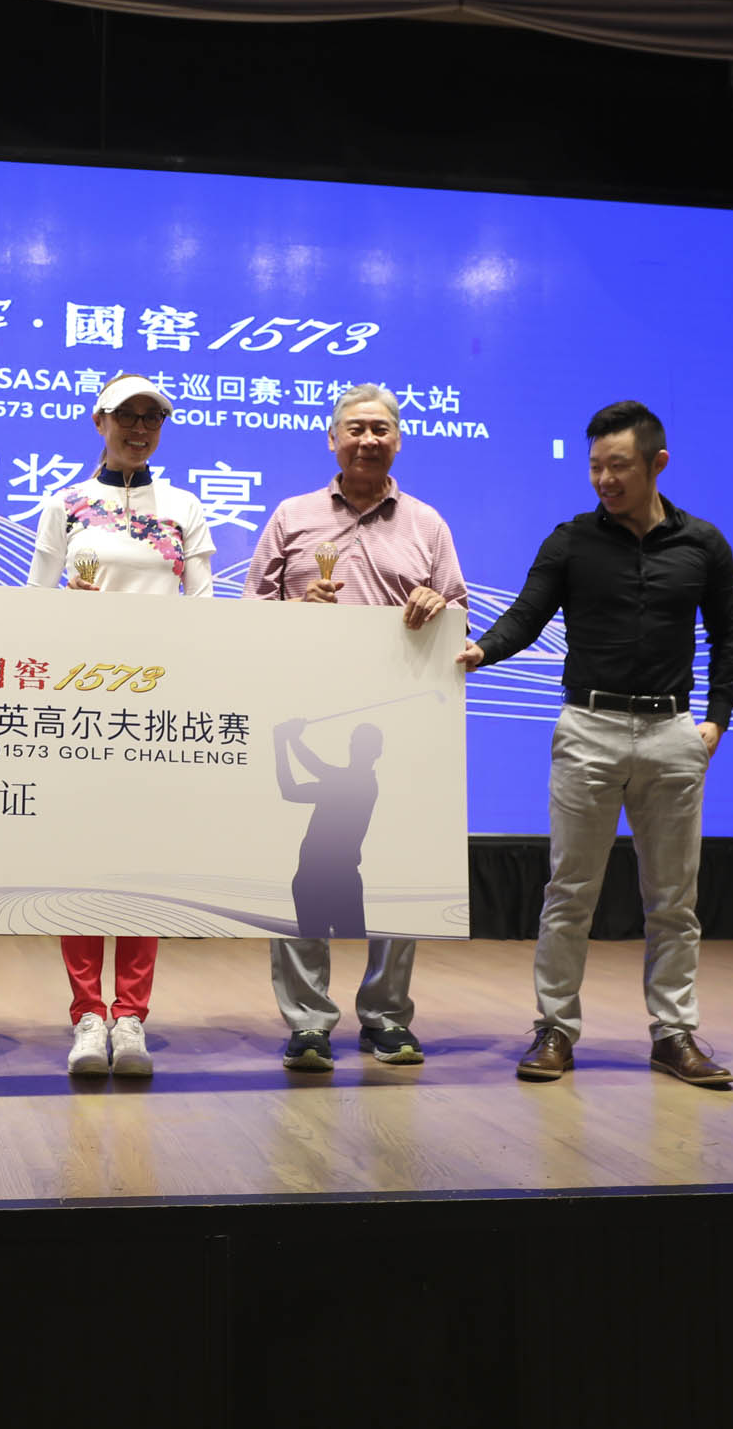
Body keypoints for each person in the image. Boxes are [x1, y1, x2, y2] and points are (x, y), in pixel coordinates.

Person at [460, 400, 733, 1089]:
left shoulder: (703, 544)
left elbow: (729, 634)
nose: (604, 480)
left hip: (674, 734)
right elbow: (526, 615)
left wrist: (717, 718)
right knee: (569, 891)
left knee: (673, 900)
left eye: (618, 466)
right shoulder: (571, 541)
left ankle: (674, 1034)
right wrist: (480, 650)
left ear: (657, 463)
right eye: (595, 467)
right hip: (588, 730)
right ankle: (555, 1028)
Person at [244, 383, 468, 1070]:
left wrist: (436, 602)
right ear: (333, 439)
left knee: (401, 867)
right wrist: (296, 610)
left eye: (380, 429)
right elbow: (248, 612)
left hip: (400, 721)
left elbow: (460, 614)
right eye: (356, 428)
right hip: (309, 710)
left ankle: (386, 1016)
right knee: (305, 869)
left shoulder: (427, 523)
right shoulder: (293, 515)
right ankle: (308, 1022)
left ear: (398, 440)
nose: (368, 440)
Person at [27, 373, 216, 1077]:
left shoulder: (185, 507)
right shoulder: (66, 504)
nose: (140, 429)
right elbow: (33, 605)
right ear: (99, 420)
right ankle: (87, 1015)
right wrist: (67, 610)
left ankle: (130, 1016)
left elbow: (204, 607)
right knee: (79, 860)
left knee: (144, 860)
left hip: (158, 709)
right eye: (127, 416)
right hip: (81, 707)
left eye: (152, 418)